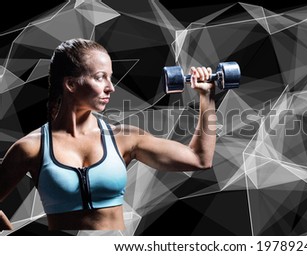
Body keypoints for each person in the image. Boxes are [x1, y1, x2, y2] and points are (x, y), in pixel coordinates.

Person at [0, 38, 217, 230]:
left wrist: (206, 97)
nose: (110, 88)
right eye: (100, 77)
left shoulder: (124, 139)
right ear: (71, 84)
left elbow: (199, 159)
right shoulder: (31, 147)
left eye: (110, 78)